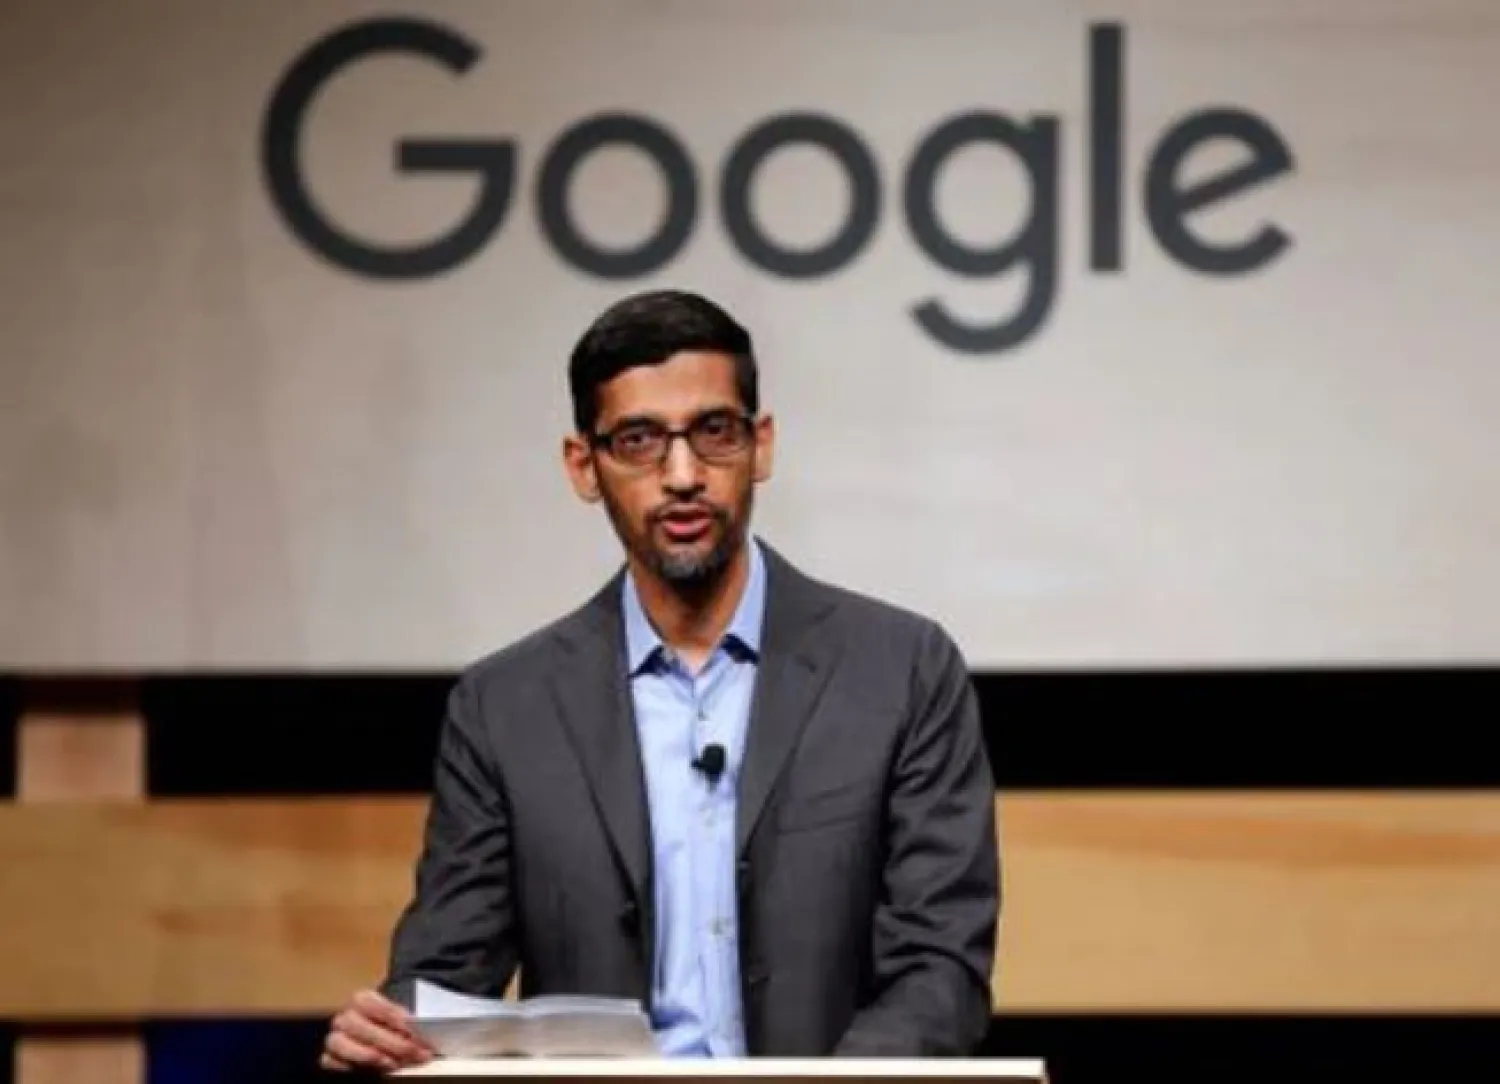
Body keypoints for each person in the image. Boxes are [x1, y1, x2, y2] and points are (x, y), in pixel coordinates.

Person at [319, 289, 999, 1070]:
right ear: (584, 465)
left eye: (714, 433)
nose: (682, 475)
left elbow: (940, 969)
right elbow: (445, 980)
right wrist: (390, 1031)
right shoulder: (507, 709)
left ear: (762, 445)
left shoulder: (900, 670)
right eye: (640, 440)